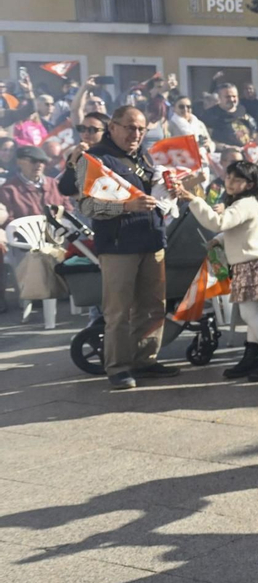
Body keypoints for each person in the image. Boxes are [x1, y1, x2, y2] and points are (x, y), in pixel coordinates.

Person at [80, 107, 169, 390]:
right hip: (119, 246)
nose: (136, 134)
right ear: (113, 127)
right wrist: (126, 207)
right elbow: (87, 206)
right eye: (130, 127)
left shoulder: (144, 155)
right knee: (118, 312)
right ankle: (118, 367)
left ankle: (146, 360)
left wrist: (172, 189)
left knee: (154, 306)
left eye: (141, 129)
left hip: (152, 239)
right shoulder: (95, 158)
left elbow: (155, 192)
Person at [175, 160, 258, 380]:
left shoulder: (244, 203)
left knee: (250, 314)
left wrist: (194, 200)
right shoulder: (247, 202)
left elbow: (219, 222)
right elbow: (242, 229)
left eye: (238, 179)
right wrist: (219, 240)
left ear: (250, 184)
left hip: (250, 263)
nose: (230, 182)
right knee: (251, 313)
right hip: (252, 261)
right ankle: (251, 357)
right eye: (229, 177)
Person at [0, 145, 64, 222]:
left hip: (58, 231)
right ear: (19, 161)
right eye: (33, 161)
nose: (39, 165)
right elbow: (8, 219)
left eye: (42, 161)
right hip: (23, 232)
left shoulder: (55, 185)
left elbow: (68, 210)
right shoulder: (8, 189)